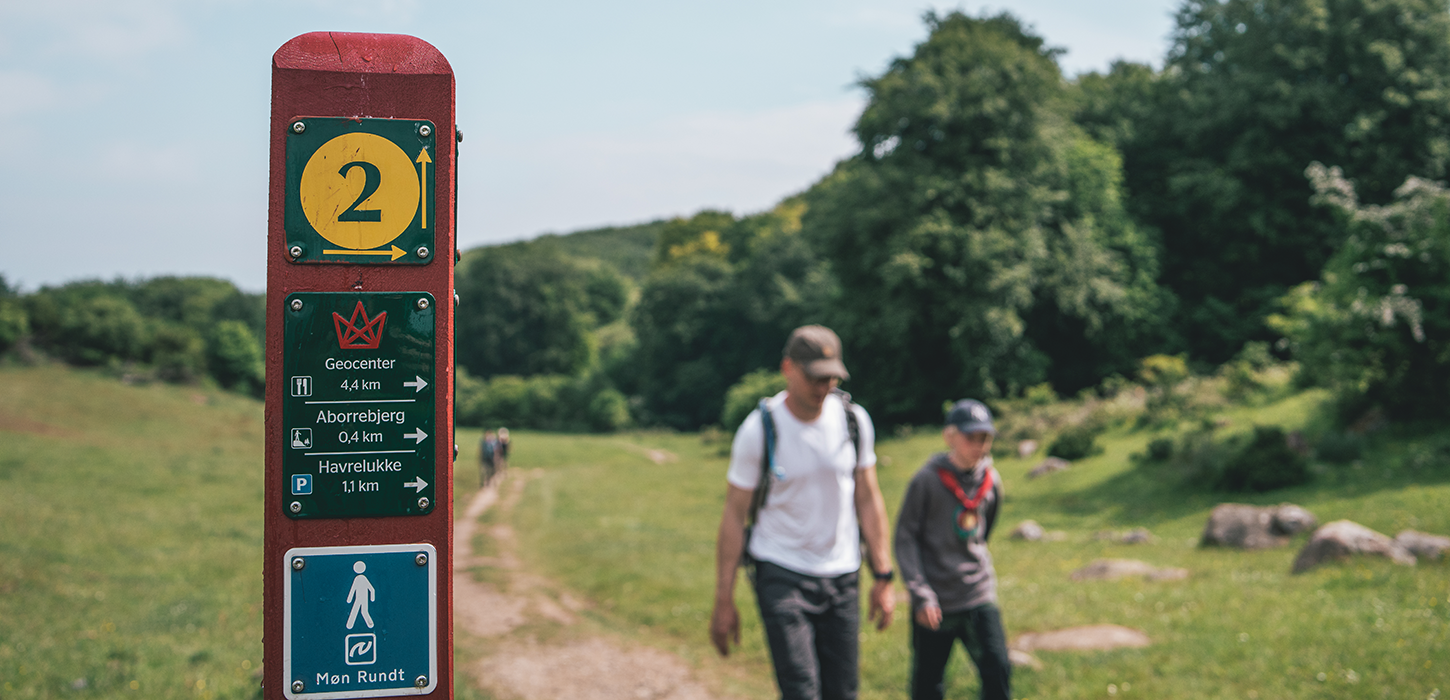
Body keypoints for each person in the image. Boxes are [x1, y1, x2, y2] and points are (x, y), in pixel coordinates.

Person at [709, 325, 895, 700]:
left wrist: (884, 574)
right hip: (781, 570)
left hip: (842, 573)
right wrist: (723, 598)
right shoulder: (760, 429)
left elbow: (868, 498)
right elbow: (734, 514)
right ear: (788, 368)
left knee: (843, 692)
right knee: (801, 690)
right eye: (814, 376)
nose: (823, 386)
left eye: (831, 377)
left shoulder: (853, 421)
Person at [894, 400, 1011, 700]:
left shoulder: (991, 480)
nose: (979, 445)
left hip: (978, 593)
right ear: (950, 436)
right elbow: (905, 537)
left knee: (998, 670)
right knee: (928, 684)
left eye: (985, 438)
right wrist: (920, 593)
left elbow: (985, 531)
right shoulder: (926, 481)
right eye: (971, 437)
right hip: (935, 600)